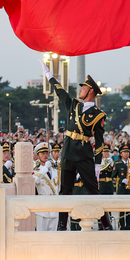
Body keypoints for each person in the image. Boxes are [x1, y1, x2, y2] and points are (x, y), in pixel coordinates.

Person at [42, 63, 112, 232]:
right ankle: (61, 225)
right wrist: (49, 76)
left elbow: (99, 140)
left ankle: (106, 224)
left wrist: (97, 164)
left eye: (84, 88)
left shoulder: (98, 114)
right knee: (64, 191)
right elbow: (60, 92)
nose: (80, 90)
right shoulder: (74, 105)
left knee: (93, 190)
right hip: (68, 151)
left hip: (83, 154)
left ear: (91, 92)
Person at [31, 142, 58, 232]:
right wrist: (44, 169)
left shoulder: (56, 171)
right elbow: (34, 181)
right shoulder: (35, 171)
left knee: (53, 236)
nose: (45, 155)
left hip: (54, 207)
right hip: (42, 209)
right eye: (42, 154)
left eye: (47, 153)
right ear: (38, 156)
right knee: (41, 235)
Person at [115, 143, 130, 229]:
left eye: (127, 152)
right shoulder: (117, 164)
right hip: (121, 189)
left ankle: (129, 226)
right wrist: (121, 180)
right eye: (124, 152)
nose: (126, 154)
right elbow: (113, 177)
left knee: (129, 210)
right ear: (121, 154)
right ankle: (121, 226)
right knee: (121, 209)